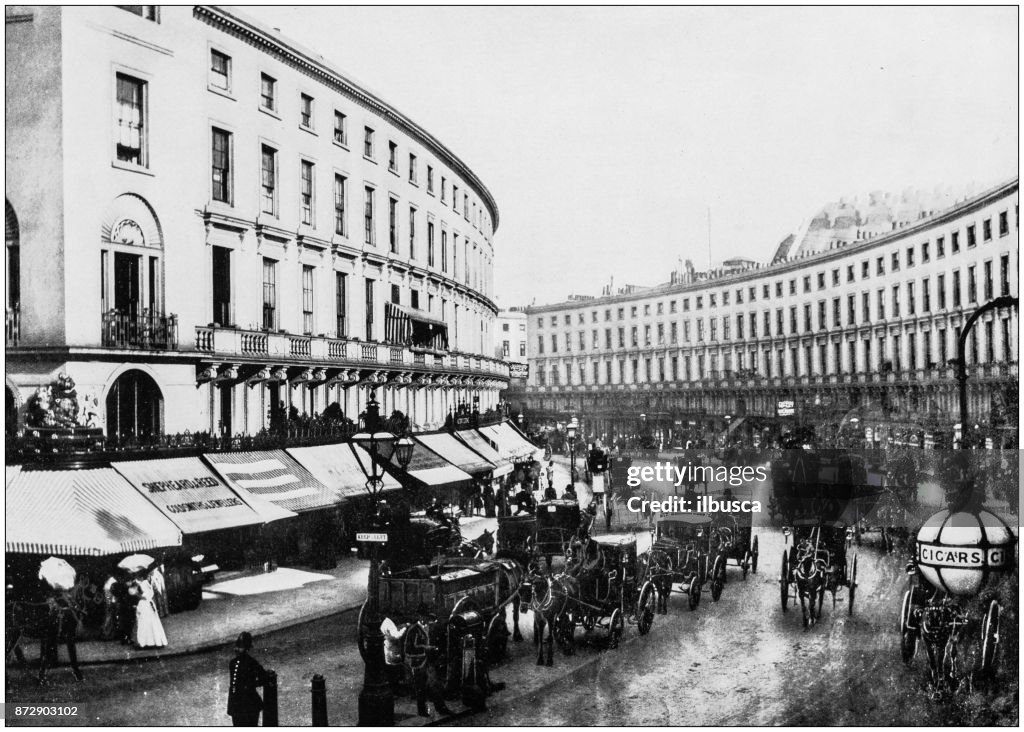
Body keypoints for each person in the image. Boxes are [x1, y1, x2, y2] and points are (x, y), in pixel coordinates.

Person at [409, 604, 452, 718]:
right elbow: (408, 650)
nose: (426, 620)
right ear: (419, 616)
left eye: (427, 617)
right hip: (418, 664)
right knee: (421, 688)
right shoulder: (413, 630)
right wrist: (425, 649)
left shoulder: (429, 628)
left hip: (429, 662)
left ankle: (441, 708)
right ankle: (422, 711)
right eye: (424, 617)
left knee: (435, 685)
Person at [227, 631, 269, 726]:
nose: (237, 649)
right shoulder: (233, 663)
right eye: (237, 646)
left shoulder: (252, 663)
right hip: (237, 705)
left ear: (246, 649)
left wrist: (250, 685)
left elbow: (264, 677)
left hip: (249, 704)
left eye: (240, 647)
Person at [129, 576, 167, 649]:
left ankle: (148, 642)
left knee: (147, 622)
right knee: (148, 622)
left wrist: (138, 593)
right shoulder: (143, 583)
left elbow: (144, 596)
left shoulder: (145, 583)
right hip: (147, 604)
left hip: (146, 604)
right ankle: (150, 641)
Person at [381, 617, 409, 694]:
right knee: (394, 670)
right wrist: (405, 628)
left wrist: (402, 625)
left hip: (388, 648)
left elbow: (393, 629)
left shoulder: (385, 621)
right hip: (392, 649)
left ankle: (393, 688)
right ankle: (395, 690)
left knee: (390, 668)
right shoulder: (389, 623)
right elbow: (397, 635)